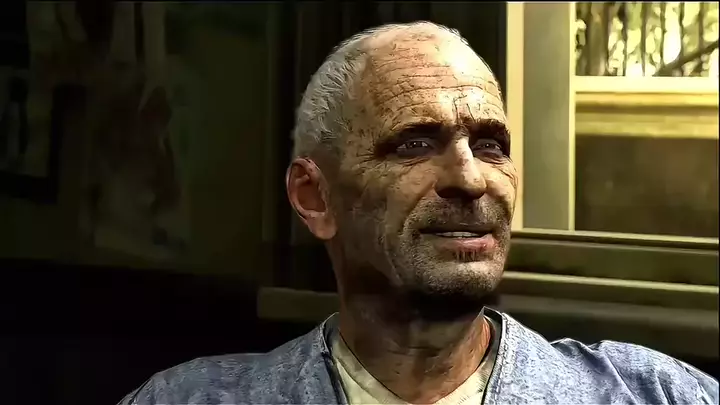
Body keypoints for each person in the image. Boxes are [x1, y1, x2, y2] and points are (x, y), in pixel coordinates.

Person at [120, 21, 718, 405]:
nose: (470, 178)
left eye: (490, 145)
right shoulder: (188, 400)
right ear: (314, 197)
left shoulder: (653, 395)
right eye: (413, 144)